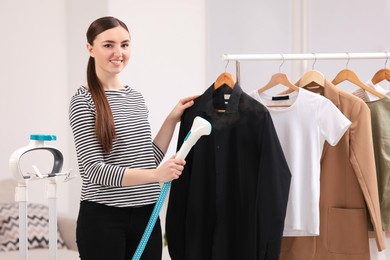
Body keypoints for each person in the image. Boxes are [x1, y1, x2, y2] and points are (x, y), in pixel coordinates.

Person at [68, 16, 197, 260]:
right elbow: (93, 170)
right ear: (90, 49)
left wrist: (172, 119)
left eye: (125, 45)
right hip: (103, 219)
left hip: (146, 216)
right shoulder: (83, 101)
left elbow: (148, 157)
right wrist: (156, 176)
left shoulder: (135, 98)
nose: (118, 52)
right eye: (108, 45)